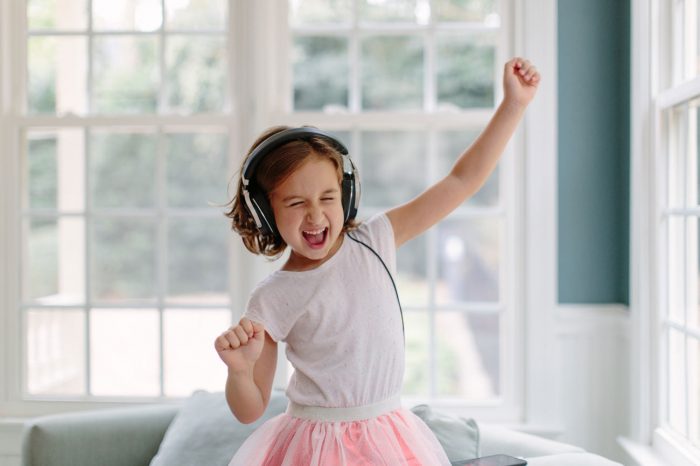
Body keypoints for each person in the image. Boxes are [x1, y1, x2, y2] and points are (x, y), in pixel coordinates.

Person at [215, 57, 540, 465]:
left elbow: (462, 180)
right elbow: (250, 409)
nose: (315, 215)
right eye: (296, 203)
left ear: (346, 196)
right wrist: (240, 372)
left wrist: (514, 105)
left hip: (389, 436)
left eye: (328, 198)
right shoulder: (273, 296)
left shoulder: (375, 240)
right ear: (266, 212)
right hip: (314, 448)